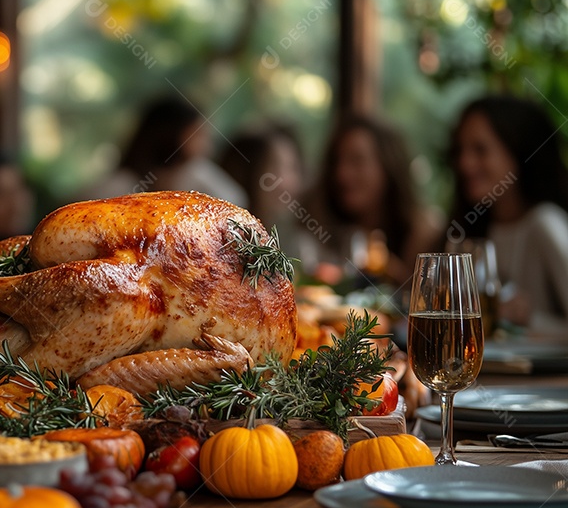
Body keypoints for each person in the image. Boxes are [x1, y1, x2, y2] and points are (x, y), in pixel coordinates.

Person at [447, 95, 568, 333]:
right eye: (461, 150)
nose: (465, 163)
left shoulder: (545, 223)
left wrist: (529, 318)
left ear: (519, 152)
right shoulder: (472, 231)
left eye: (480, 150)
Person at [309, 114, 442, 286]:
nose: (341, 174)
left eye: (357, 161)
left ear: (388, 165)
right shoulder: (322, 230)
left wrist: (390, 270)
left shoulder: (423, 234)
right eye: (337, 162)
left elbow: (427, 301)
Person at [80, 96, 248, 206]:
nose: (207, 145)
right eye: (199, 135)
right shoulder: (117, 188)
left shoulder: (196, 175)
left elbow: (236, 205)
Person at [218, 122, 324, 269]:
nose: (291, 182)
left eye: (293, 168)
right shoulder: (221, 243)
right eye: (276, 168)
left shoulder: (295, 243)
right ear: (247, 173)